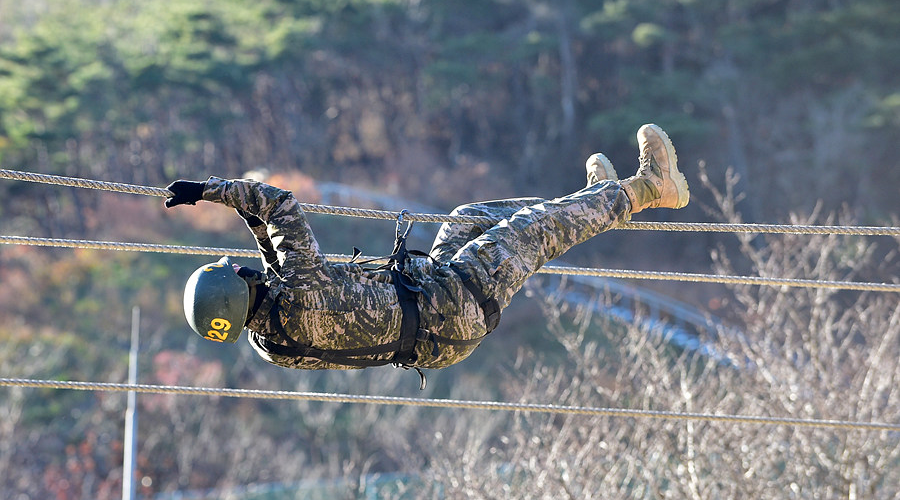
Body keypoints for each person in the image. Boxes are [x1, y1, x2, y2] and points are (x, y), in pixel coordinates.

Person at [165, 124, 689, 386]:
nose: (238, 266)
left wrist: (230, 210)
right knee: (532, 231)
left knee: (469, 217)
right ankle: (650, 187)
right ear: (236, 291)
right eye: (231, 273)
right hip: (449, 303)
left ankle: (592, 201)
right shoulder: (300, 297)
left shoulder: (269, 336)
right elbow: (276, 207)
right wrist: (209, 190)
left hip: (430, 313)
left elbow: (271, 251)